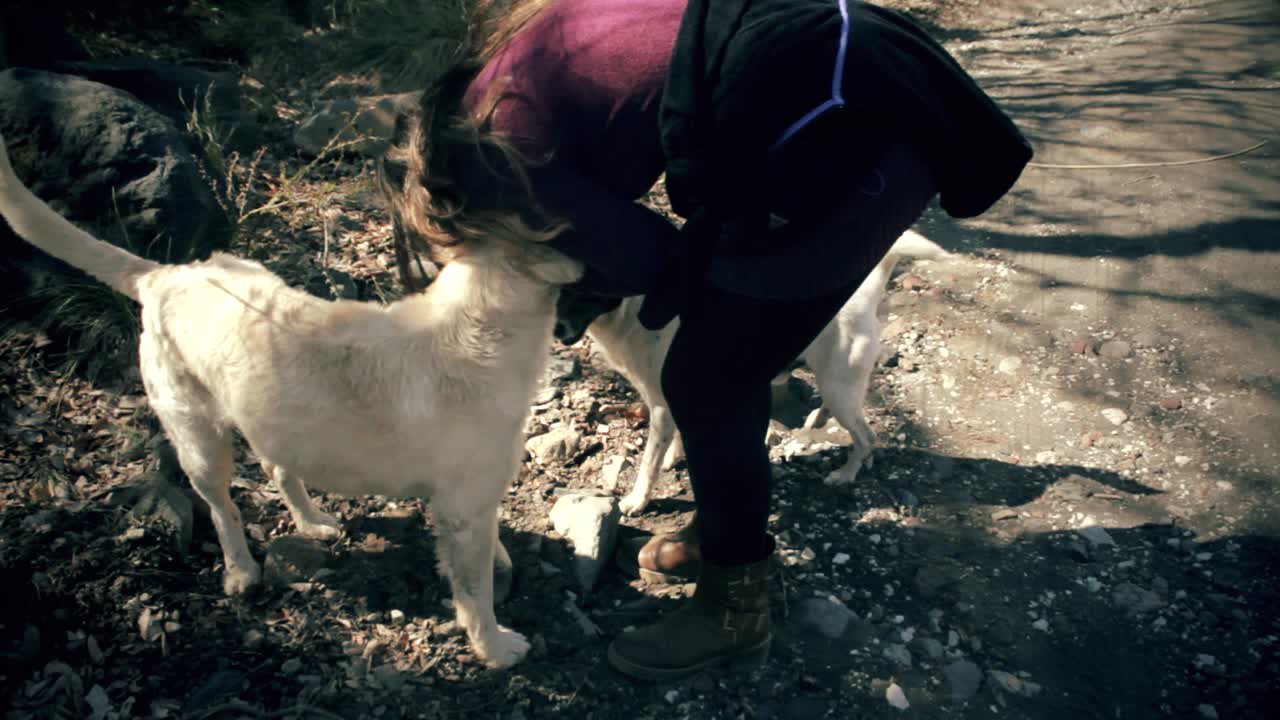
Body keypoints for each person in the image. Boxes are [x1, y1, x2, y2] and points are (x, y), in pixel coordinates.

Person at [381, 0, 1032, 681]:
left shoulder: (496, 157)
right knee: (727, 338)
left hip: (857, 113)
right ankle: (722, 530)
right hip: (840, 70)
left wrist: (574, 277)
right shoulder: (508, 77)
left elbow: (647, 258)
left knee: (706, 376)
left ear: (445, 201)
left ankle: (735, 611)